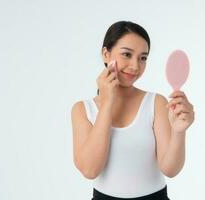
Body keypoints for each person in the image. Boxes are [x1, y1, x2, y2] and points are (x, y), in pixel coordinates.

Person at [71, 21, 195, 200]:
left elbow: (170, 169)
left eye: (142, 58)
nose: (135, 66)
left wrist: (179, 132)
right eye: (126, 54)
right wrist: (107, 104)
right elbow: (90, 170)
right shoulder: (83, 110)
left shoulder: (156, 103)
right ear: (106, 54)